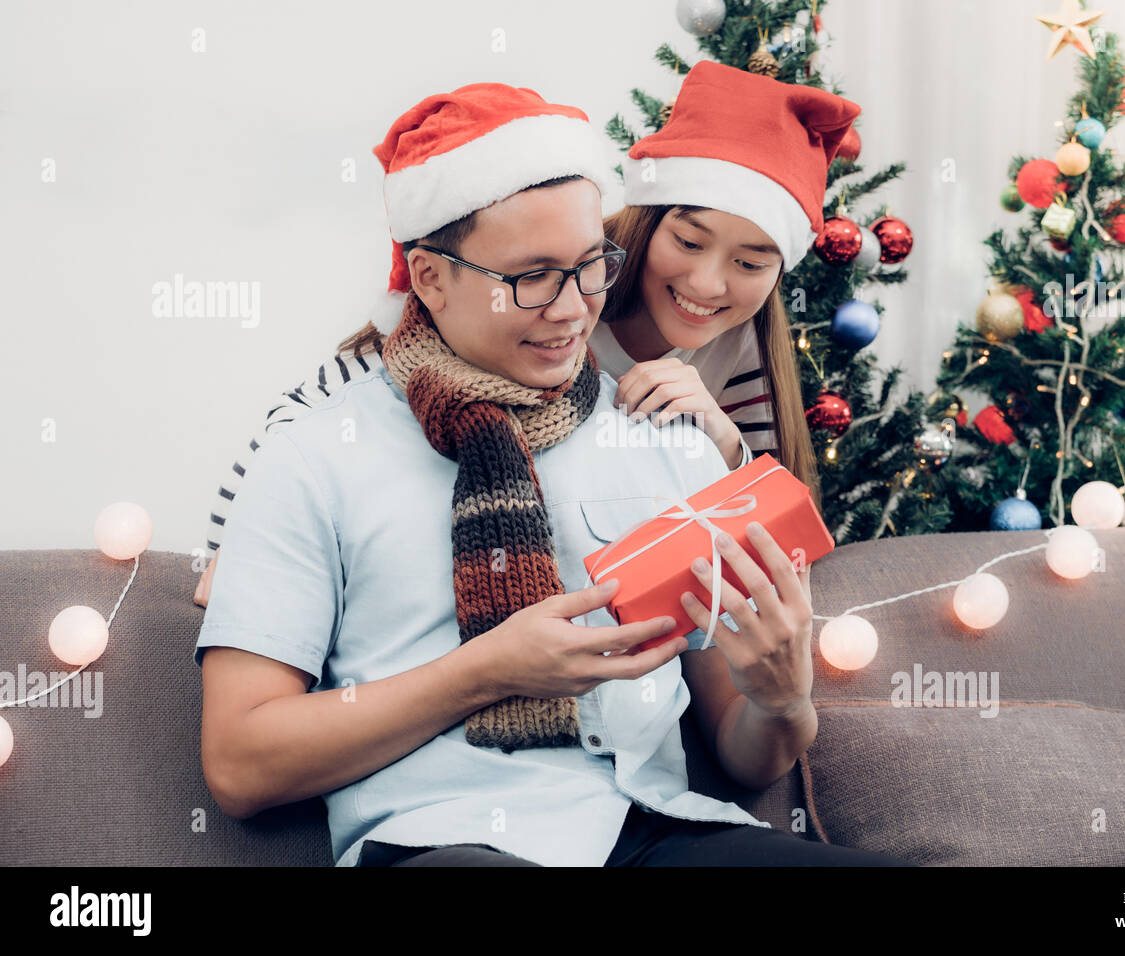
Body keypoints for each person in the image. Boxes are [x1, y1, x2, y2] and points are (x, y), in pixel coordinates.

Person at [193, 80, 907, 867]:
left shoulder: (671, 436)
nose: (573, 310)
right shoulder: (314, 453)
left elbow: (746, 757)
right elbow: (238, 765)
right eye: (531, 277)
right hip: (444, 839)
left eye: (590, 267)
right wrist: (484, 672)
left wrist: (782, 699)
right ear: (430, 278)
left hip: (658, 829)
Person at [193, 61, 853, 608]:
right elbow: (324, 416)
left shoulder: (736, 356)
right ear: (644, 223)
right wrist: (241, 555)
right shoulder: (446, 345)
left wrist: (727, 449)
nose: (709, 284)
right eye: (687, 239)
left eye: (751, 262)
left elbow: (773, 558)